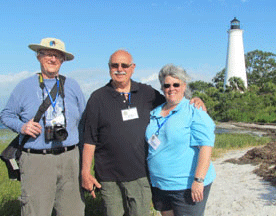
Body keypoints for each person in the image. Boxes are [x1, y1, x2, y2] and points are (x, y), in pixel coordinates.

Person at [81, 50, 206, 216]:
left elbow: (173, 100)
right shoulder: (97, 98)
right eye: (114, 65)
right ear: (109, 68)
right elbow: (89, 139)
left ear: (132, 68)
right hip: (108, 177)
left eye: (124, 65)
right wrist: (85, 172)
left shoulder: (146, 93)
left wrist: (194, 100)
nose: (120, 69)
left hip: (140, 175)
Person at [0, 38, 85, 216]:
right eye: (48, 54)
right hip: (37, 160)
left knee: (74, 211)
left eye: (57, 56)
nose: (52, 59)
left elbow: (84, 119)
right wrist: (22, 127)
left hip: (71, 158)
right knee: (35, 211)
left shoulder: (72, 86)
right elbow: (6, 115)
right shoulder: (24, 86)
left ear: (63, 61)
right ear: (39, 57)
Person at [145, 64, 216, 216]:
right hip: (160, 184)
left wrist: (198, 180)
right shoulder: (155, 112)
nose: (172, 88)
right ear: (162, 88)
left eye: (176, 84)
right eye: (167, 85)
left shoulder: (193, 109)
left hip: (186, 185)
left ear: (184, 86)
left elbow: (206, 146)